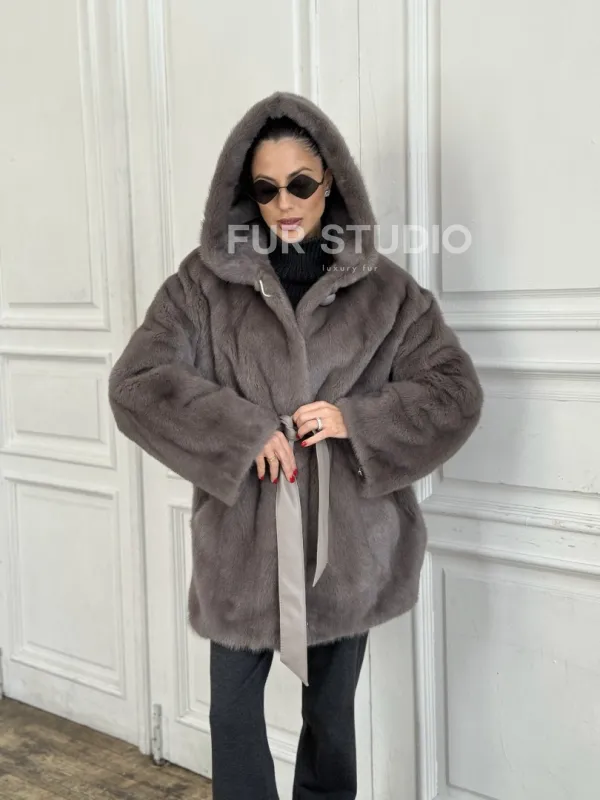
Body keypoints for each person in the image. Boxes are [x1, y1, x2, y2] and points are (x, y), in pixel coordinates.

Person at [108, 91, 484, 800]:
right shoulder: (202, 286)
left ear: (330, 181)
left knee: (331, 722)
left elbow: (454, 392)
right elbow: (136, 383)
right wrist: (241, 430)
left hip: (349, 550)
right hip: (242, 548)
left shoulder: (387, 293)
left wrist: (356, 421)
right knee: (232, 716)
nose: (284, 204)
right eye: (266, 188)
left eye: (301, 184)